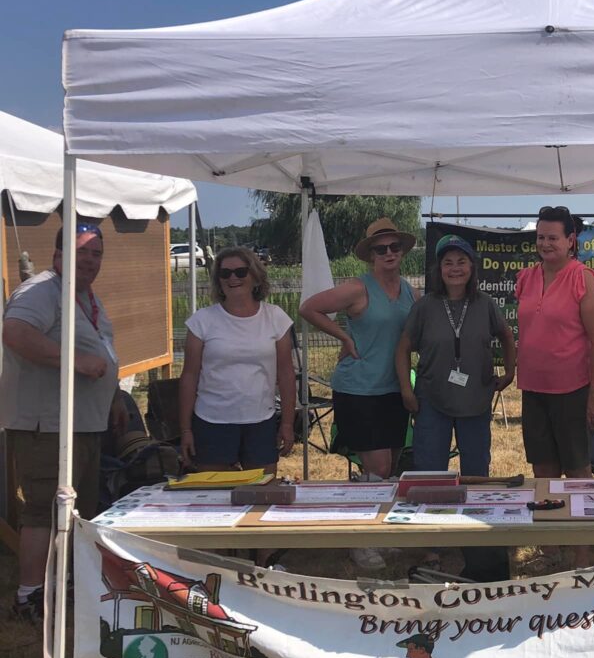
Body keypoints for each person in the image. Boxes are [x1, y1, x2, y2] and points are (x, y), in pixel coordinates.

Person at [0, 222, 127, 622]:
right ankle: (29, 597)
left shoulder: (86, 297)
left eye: (96, 253)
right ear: (58, 256)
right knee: (43, 509)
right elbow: (15, 333)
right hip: (47, 425)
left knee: (78, 510)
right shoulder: (41, 291)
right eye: (81, 252)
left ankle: (64, 583)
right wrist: (74, 360)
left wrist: (114, 396)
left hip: (83, 423)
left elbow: (101, 351)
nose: (90, 260)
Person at [298, 217, 417, 570]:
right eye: (381, 249)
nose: (389, 253)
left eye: (394, 247)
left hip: (394, 388)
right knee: (375, 467)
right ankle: (359, 540)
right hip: (360, 389)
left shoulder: (409, 290)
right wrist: (344, 337)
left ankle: (380, 533)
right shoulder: (357, 288)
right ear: (371, 256)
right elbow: (308, 307)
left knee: (391, 466)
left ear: (402, 251)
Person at [396, 234, 516, 571]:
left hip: (475, 400)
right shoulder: (424, 306)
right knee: (430, 472)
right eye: (448, 262)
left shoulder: (486, 304)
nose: (455, 268)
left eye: (461, 261)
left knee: (476, 470)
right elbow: (403, 347)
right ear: (439, 269)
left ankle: (474, 537)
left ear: (471, 267)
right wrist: (407, 389)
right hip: (432, 399)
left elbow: (507, 335)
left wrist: (509, 370)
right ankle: (432, 545)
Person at [178, 247, 294, 477]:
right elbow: (189, 376)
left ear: (255, 277)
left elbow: (286, 373)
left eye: (240, 272)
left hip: (261, 420)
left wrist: (288, 424)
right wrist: (185, 429)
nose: (233, 278)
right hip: (212, 421)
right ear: (218, 280)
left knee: (262, 495)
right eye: (225, 273)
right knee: (215, 499)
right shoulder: (202, 321)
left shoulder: (276, 317)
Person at [515, 206, 594, 480]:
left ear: (570, 241)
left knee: (577, 470)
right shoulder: (526, 277)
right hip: (532, 389)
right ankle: (549, 521)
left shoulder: (583, 278)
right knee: (543, 470)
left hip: (572, 392)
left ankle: (580, 522)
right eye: (541, 237)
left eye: (553, 238)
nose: (545, 243)